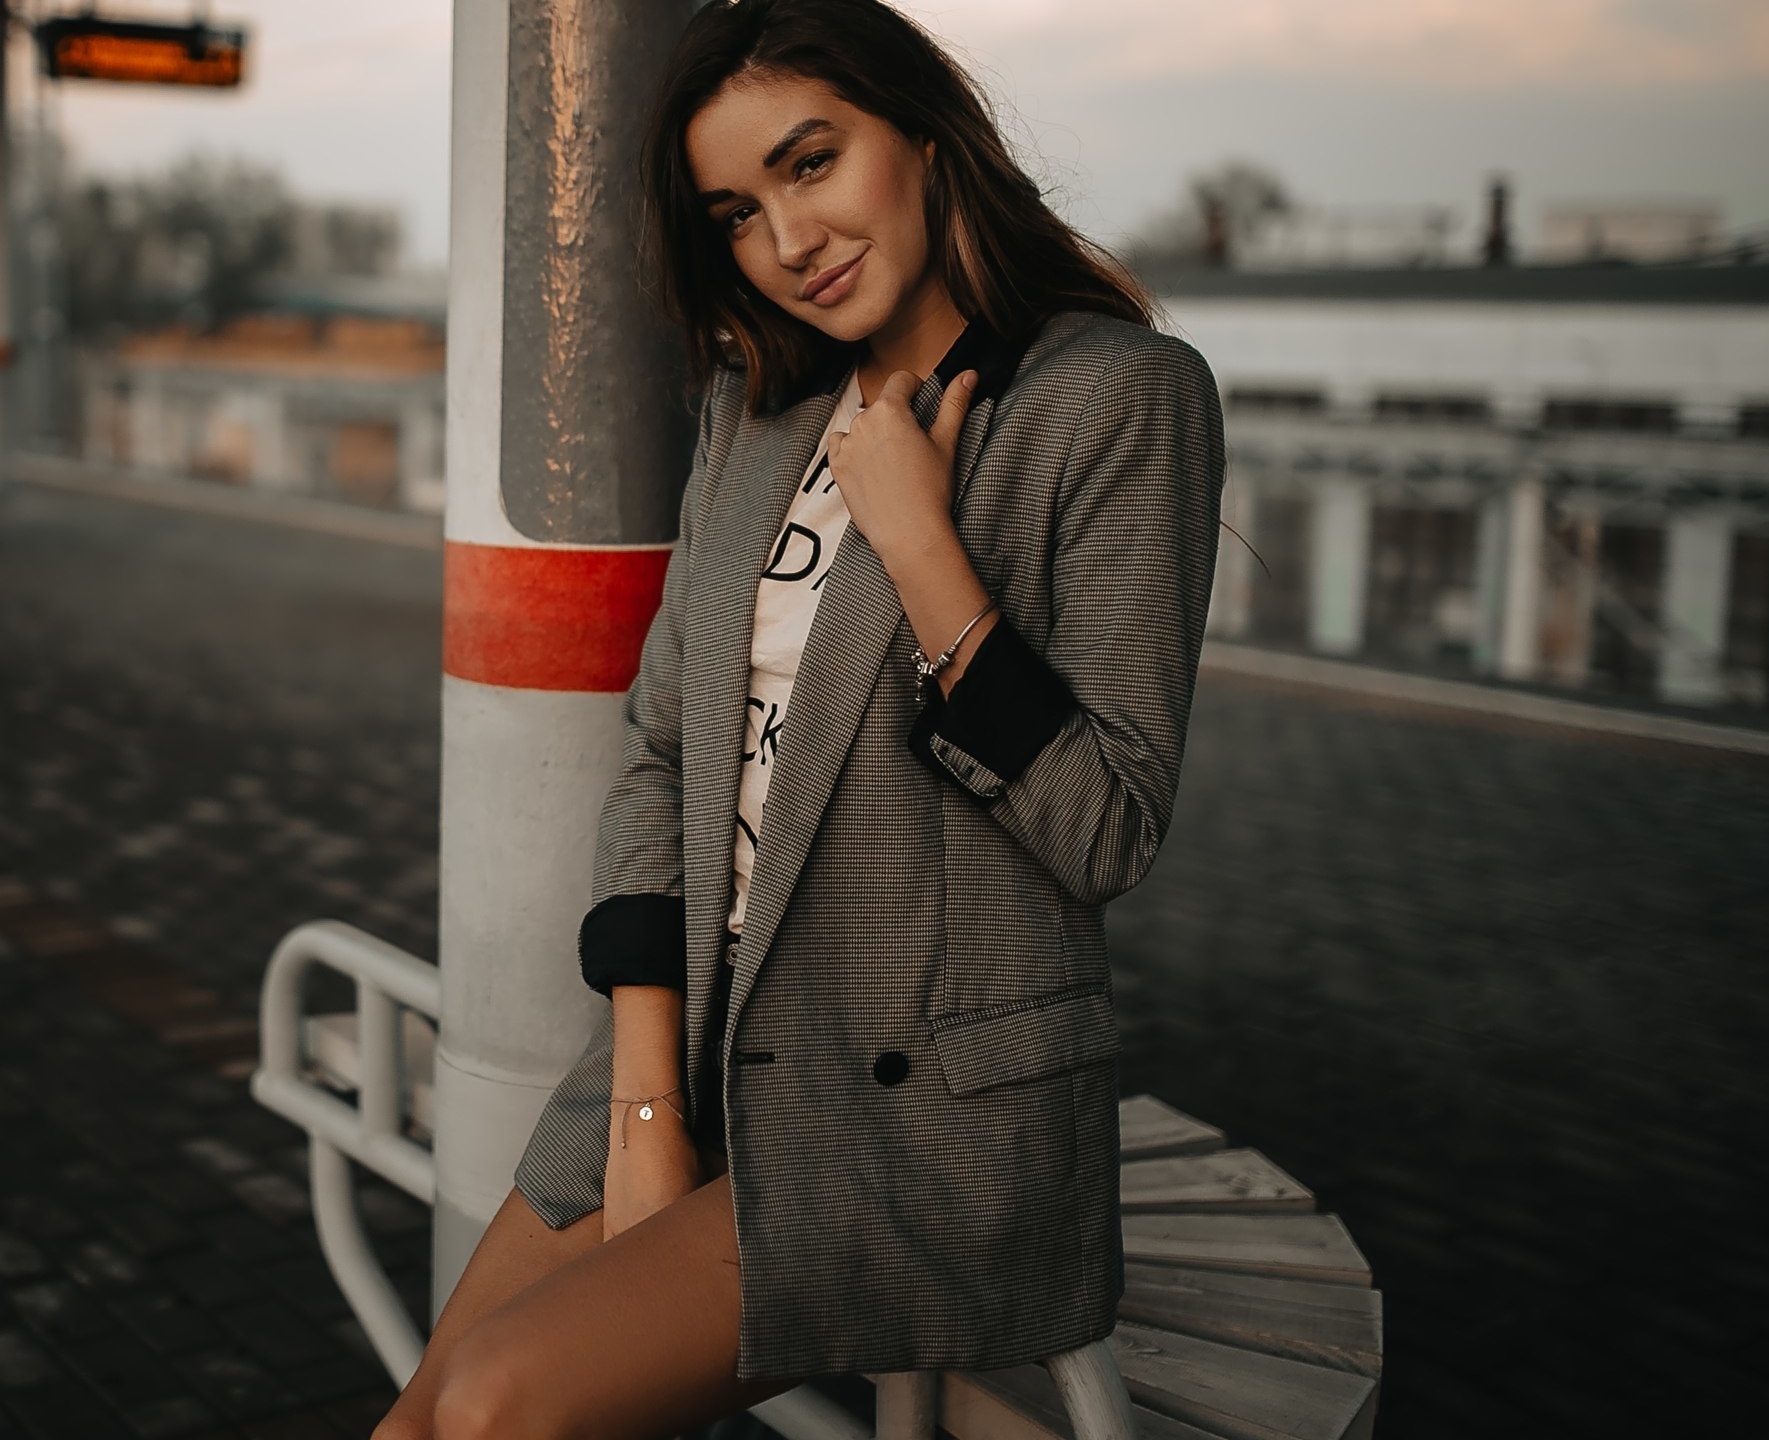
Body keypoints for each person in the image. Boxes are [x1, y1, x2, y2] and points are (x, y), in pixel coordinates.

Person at [378, 1, 1224, 1436]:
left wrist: (925, 553)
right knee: (429, 1409)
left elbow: (1107, 830)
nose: (787, 237)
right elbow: (661, 755)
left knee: (495, 1411)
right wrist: (646, 1106)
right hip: (694, 1055)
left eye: (812, 161)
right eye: (736, 211)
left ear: (923, 135)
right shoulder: (758, 410)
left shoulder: (1118, 399)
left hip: (921, 1122)